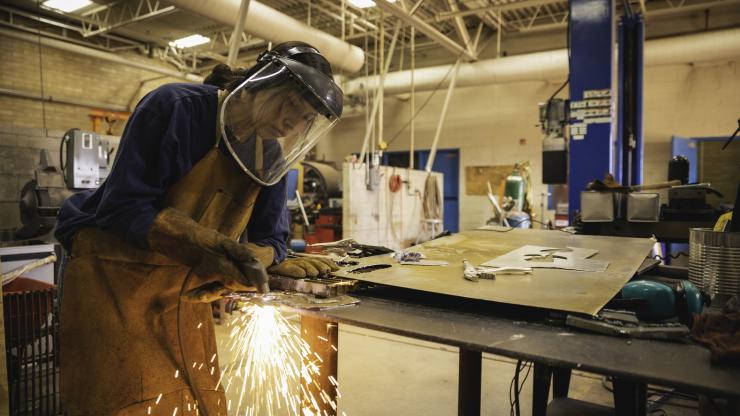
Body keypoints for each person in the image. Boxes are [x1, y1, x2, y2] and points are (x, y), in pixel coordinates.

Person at [55, 41, 342, 415]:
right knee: (118, 403)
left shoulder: (268, 154)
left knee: (195, 401)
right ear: (259, 82)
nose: (292, 121)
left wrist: (265, 256)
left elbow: (271, 236)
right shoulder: (176, 109)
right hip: (110, 274)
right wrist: (204, 243)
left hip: (183, 288)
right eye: (290, 102)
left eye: (305, 118)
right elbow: (122, 208)